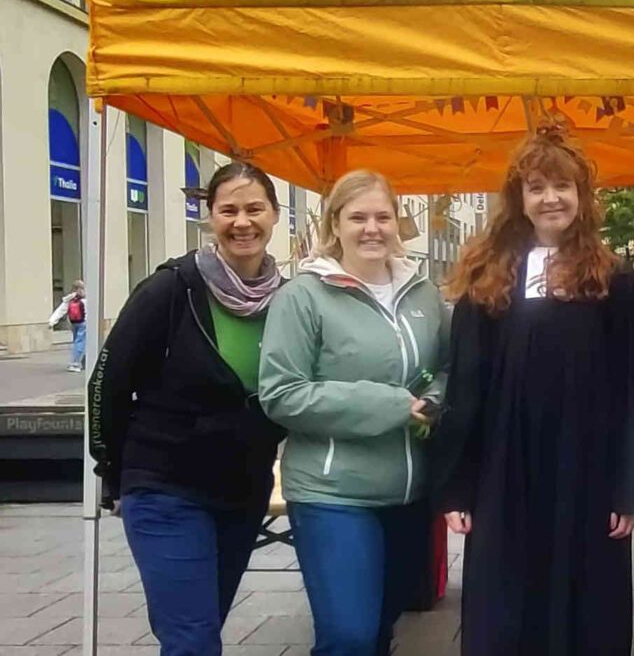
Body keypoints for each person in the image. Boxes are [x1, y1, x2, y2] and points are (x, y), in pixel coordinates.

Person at [431, 128, 634, 655]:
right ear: (519, 199)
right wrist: (457, 484)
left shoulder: (615, 280)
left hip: (587, 474)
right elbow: (466, 385)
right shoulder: (489, 278)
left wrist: (629, 486)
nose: (550, 198)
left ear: (582, 195)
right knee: (507, 611)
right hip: (506, 473)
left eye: (562, 185)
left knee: (586, 612)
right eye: (536, 187)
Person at [88, 162, 286, 656]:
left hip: (243, 492)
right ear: (210, 217)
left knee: (201, 628)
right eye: (229, 210)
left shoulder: (288, 300)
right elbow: (107, 385)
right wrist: (112, 475)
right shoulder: (171, 289)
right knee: (193, 640)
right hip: (164, 487)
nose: (243, 221)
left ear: (275, 215)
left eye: (254, 208)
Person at [260, 169, 450, 656]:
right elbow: (282, 393)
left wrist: (437, 399)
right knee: (349, 636)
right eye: (358, 217)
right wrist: (391, 404)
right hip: (333, 493)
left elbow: (450, 366)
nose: (372, 228)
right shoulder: (303, 297)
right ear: (335, 224)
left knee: (382, 630)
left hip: (409, 494)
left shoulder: (423, 295)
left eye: (383, 217)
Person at [49, 279, 87, 372]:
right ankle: (75, 363)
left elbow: (61, 310)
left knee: (77, 342)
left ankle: (81, 361)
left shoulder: (69, 299)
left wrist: (52, 321)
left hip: (74, 323)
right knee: (80, 342)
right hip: (84, 323)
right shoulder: (85, 298)